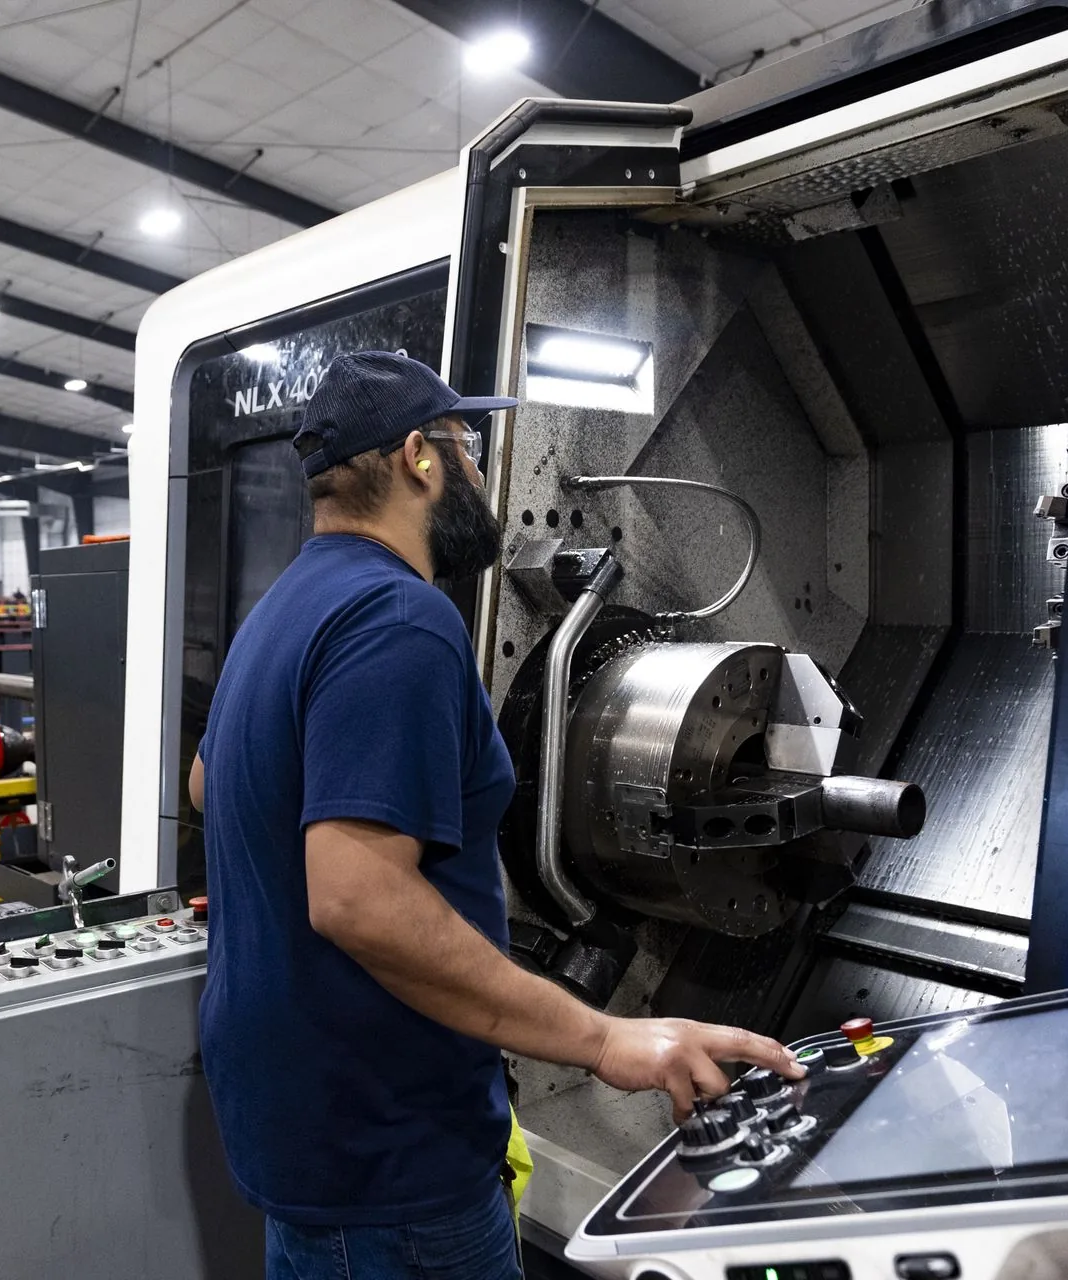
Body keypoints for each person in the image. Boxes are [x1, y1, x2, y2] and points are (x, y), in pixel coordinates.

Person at [190, 351, 803, 1279]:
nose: (478, 471)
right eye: (465, 446)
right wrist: (604, 1037)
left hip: (305, 1133)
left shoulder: (283, 610)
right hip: (393, 1156)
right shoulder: (399, 620)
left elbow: (209, 783)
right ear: (417, 458)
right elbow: (356, 901)